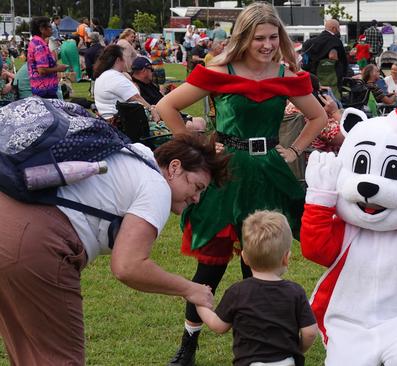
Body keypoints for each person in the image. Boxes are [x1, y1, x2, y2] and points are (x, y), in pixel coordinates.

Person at [156, 3, 327, 365]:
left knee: (260, 267)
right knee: (210, 267)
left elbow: (318, 116)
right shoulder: (219, 71)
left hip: (266, 175)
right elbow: (167, 107)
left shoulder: (286, 74)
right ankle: (188, 345)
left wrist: (294, 151)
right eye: (259, 38)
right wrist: (197, 147)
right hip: (224, 175)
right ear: (243, 38)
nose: (267, 45)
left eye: (273, 37)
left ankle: (262, 346)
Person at [0, 132, 227, 365]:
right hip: (36, 246)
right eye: (197, 187)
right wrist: (190, 289)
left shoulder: (134, 152)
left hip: (7, 221)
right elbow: (128, 266)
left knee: (28, 353)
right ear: (174, 167)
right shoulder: (157, 186)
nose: (197, 198)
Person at [196, 210, 318, 366]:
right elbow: (310, 332)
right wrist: (298, 349)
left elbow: (218, 325)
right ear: (286, 258)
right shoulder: (295, 292)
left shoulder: (237, 292)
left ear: (244, 257)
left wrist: (200, 304)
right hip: (286, 362)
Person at [93, 45, 159, 123]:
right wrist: (152, 109)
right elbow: (136, 97)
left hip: (110, 120)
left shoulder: (104, 75)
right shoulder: (114, 77)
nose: (126, 61)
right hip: (122, 124)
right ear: (118, 60)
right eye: (124, 58)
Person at [27, 16, 68, 99]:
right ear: (42, 29)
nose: (51, 29)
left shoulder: (36, 42)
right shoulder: (39, 46)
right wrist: (59, 69)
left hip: (41, 88)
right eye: (49, 26)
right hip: (44, 90)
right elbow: (41, 70)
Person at [302, 19, 348, 92]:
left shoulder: (310, 42)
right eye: (338, 28)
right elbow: (332, 56)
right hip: (330, 80)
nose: (339, 30)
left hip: (313, 79)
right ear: (334, 28)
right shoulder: (334, 40)